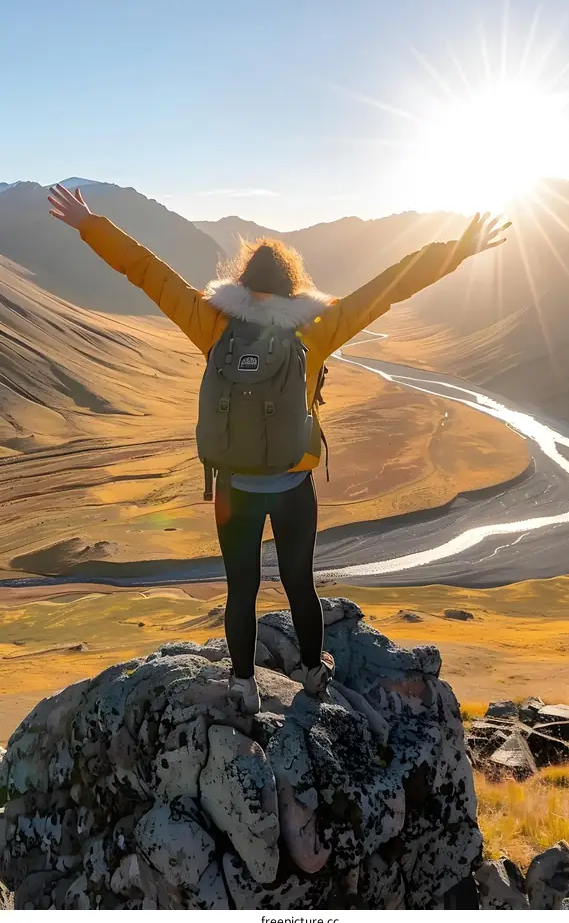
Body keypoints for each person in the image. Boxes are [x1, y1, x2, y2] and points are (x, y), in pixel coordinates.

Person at [48, 184, 509, 714]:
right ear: (294, 283)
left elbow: (148, 272)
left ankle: (243, 685)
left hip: (234, 488)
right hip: (293, 486)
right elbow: (390, 287)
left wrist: (90, 224)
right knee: (299, 585)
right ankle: (312, 675)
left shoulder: (211, 321)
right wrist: (463, 246)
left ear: (240, 280)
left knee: (240, 590)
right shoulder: (316, 327)